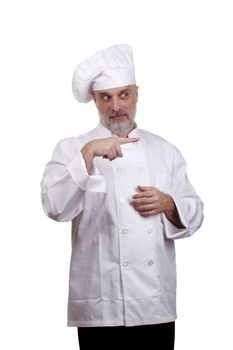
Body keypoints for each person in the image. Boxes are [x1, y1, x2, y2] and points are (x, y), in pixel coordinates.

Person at [41, 44, 204, 350]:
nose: (116, 105)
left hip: (153, 304)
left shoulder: (165, 151)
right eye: (106, 97)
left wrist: (169, 204)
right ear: (95, 100)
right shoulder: (71, 148)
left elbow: (196, 211)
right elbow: (53, 207)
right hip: (100, 304)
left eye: (123, 94)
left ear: (137, 93)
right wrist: (87, 156)